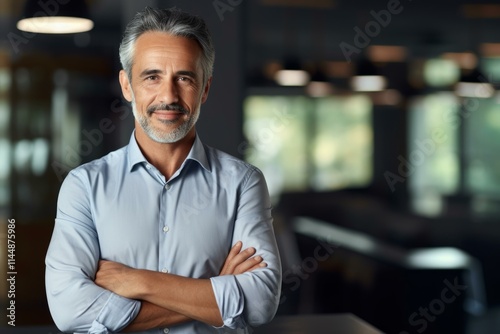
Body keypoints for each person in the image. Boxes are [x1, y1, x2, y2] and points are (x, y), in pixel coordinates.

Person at [45, 7, 282, 333]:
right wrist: (215, 293)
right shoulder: (84, 186)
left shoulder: (243, 183)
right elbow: (69, 309)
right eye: (152, 77)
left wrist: (135, 281)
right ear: (127, 86)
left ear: (205, 89)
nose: (168, 96)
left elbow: (261, 301)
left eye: (184, 78)